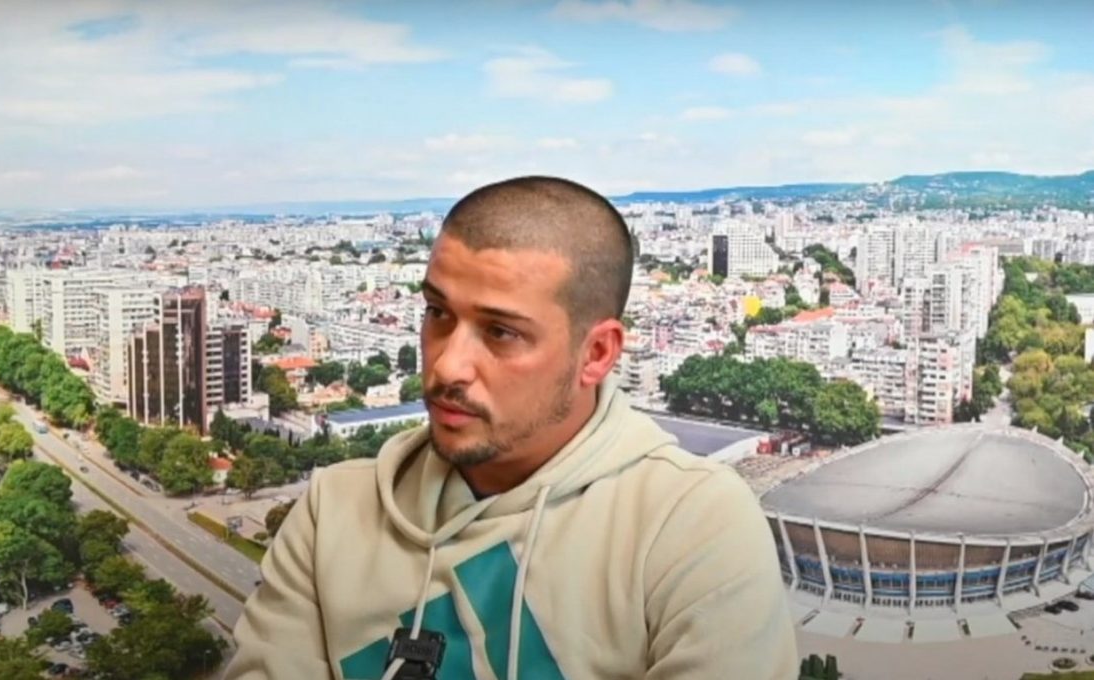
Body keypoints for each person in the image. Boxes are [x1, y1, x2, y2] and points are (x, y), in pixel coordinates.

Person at [224, 176, 798, 679]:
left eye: (501, 332)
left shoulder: (689, 526)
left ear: (597, 353)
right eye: (437, 313)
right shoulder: (334, 511)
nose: (448, 365)